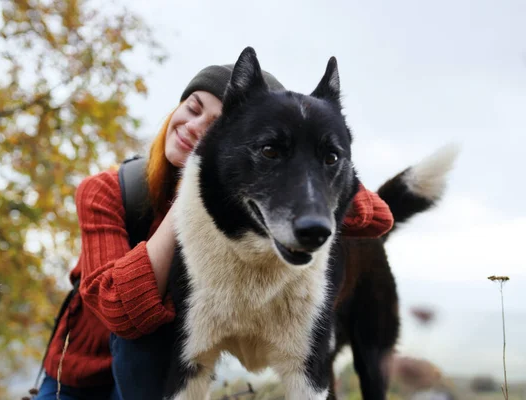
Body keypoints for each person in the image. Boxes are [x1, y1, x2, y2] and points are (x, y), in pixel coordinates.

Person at [34, 63, 394, 400]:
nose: (196, 126)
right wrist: (194, 195)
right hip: (76, 377)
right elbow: (121, 311)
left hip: (163, 373)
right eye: (193, 108)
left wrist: (310, 170)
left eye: (215, 123)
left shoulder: (258, 189)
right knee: (144, 330)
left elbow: (379, 217)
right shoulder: (108, 190)